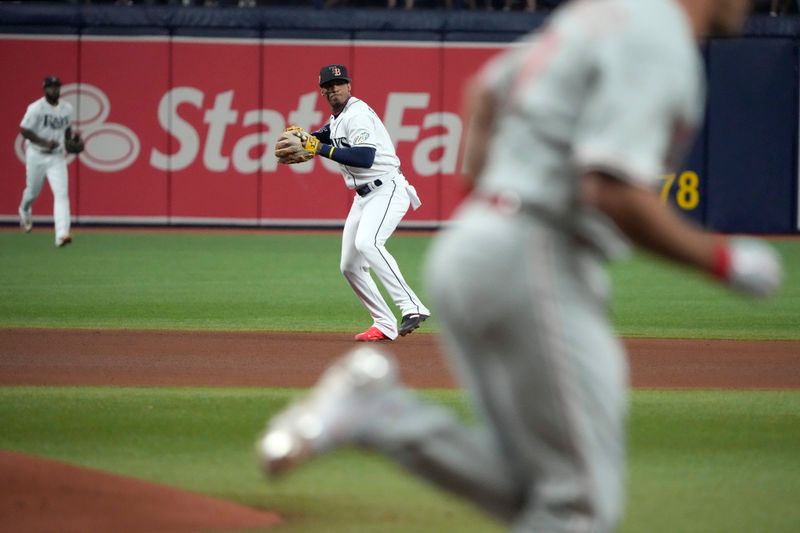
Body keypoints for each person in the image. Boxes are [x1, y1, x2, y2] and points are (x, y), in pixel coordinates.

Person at [258, 0, 781, 531]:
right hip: (536, 258)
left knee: (544, 486)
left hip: (476, 248)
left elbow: (483, 96)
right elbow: (614, 193)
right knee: (581, 502)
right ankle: (382, 408)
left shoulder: (594, 17)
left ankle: (384, 416)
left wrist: (494, 206)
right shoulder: (663, 44)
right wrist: (723, 260)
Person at [281, 64, 431, 341]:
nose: (334, 88)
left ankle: (412, 306)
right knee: (349, 265)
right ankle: (384, 324)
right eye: (329, 85)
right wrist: (310, 138)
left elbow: (364, 158)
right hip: (363, 197)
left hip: (387, 189)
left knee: (368, 243)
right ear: (322, 91)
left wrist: (318, 148)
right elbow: (329, 131)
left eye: (340, 83)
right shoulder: (340, 116)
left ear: (349, 86)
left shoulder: (358, 114)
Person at [19, 75, 76, 248]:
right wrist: (44, 142)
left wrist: (73, 144)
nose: (54, 89)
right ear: (44, 89)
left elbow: (67, 132)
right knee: (33, 191)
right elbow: (24, 130)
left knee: (61, 194)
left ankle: (61, 234)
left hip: (56, 156)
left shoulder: (67, 108)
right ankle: (24, 209)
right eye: (51, 87)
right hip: (36, 154)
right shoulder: (36, 108)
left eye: (56, 86)